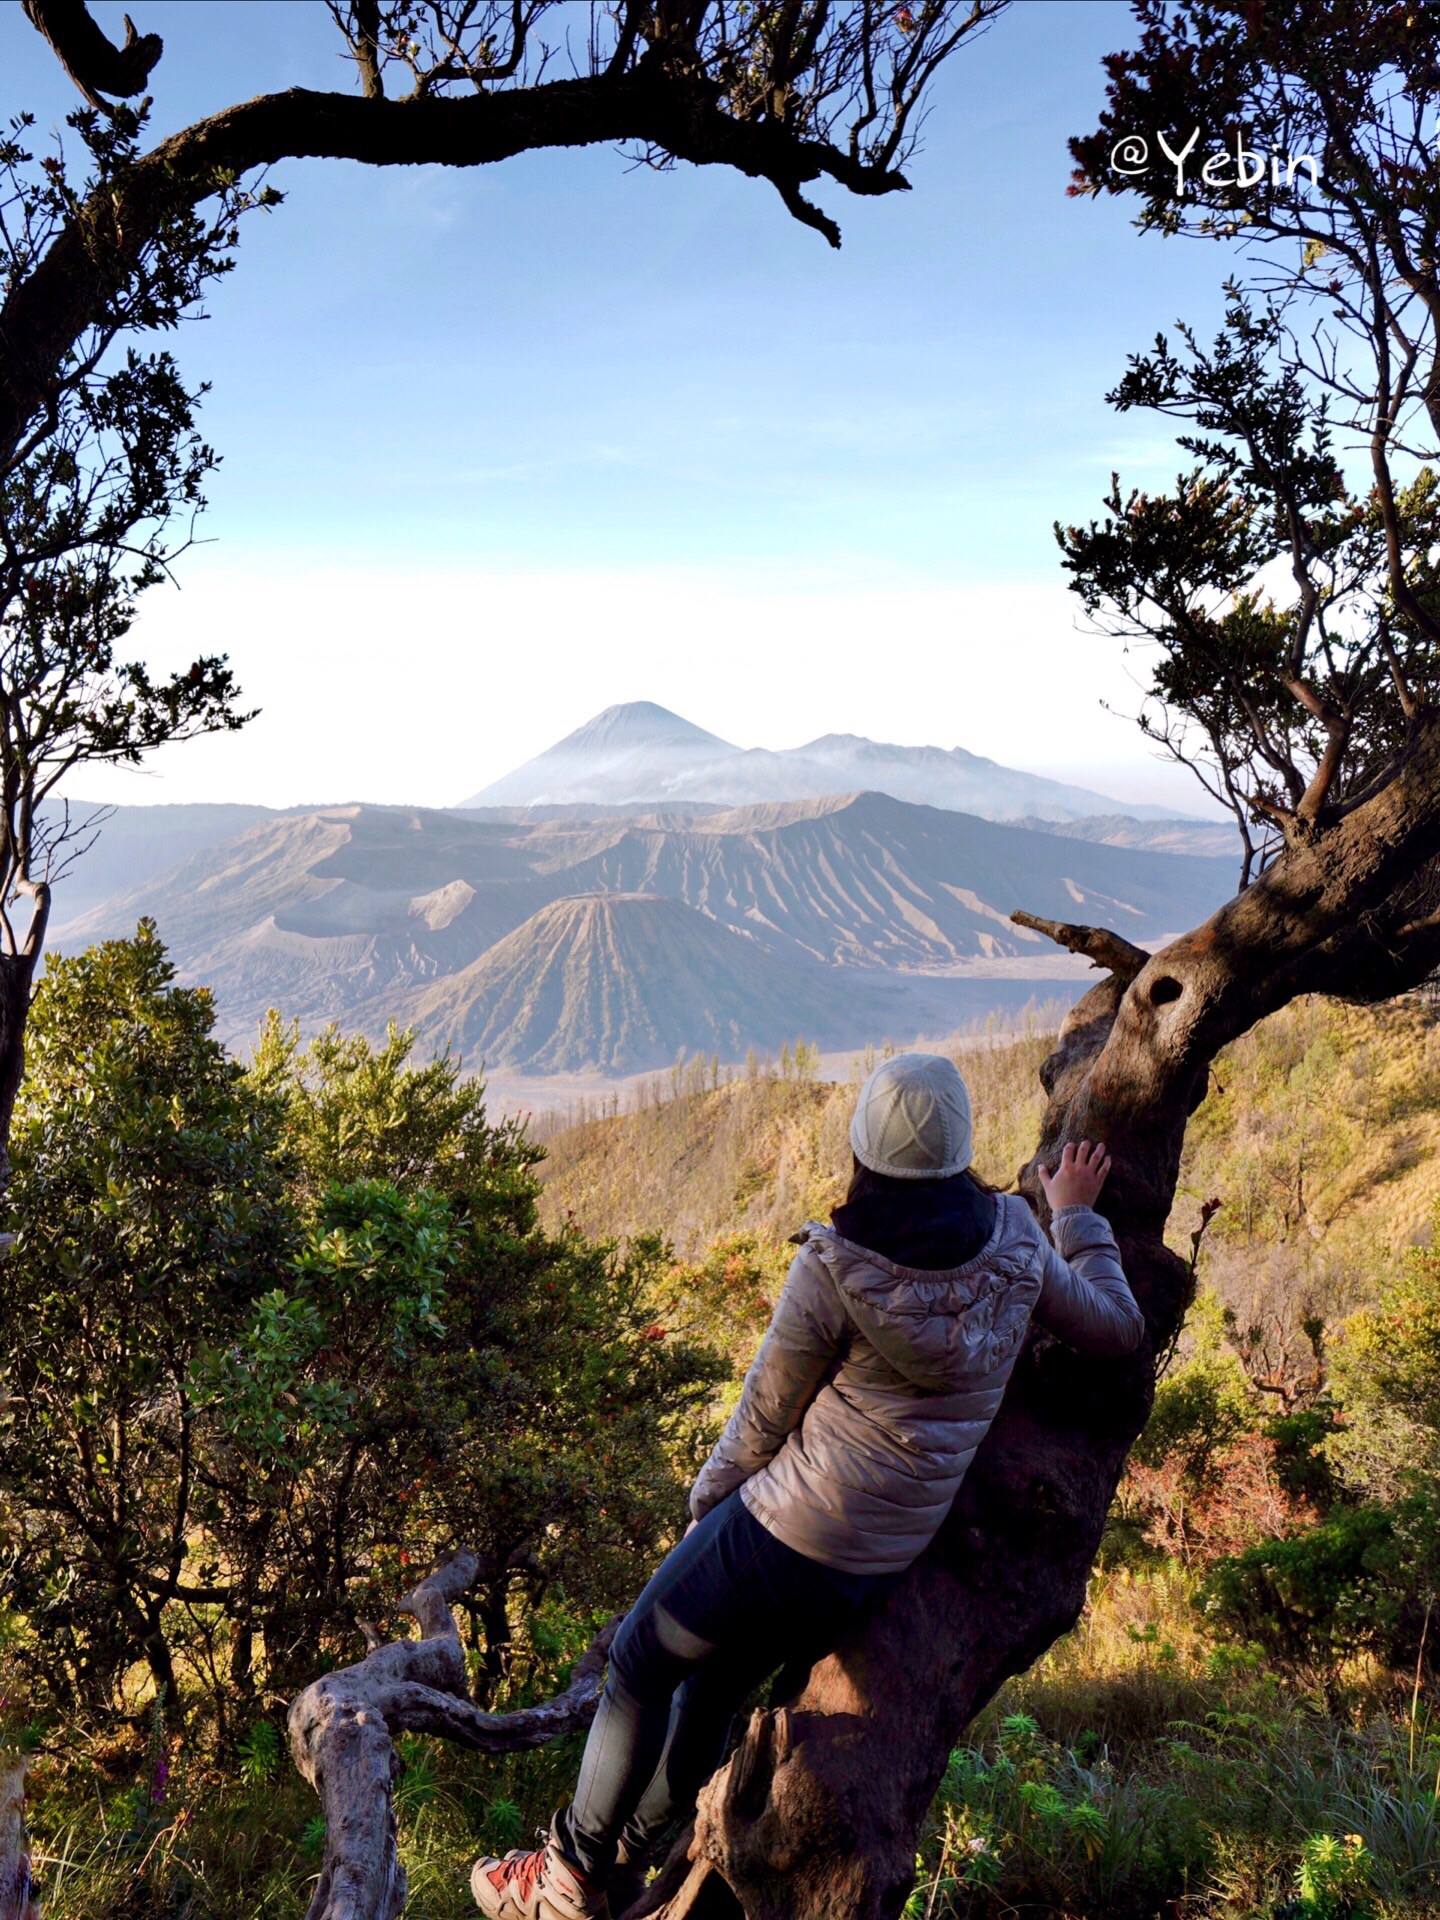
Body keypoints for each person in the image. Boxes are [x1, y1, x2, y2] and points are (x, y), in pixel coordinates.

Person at [471, 1052, 1144, 1920]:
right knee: (713, 1684)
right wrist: (1076, 1218)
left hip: (787, 1527)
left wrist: (705, 1514)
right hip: (878, 1560)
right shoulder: (1018, 1242)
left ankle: (563, 1877)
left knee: (640, 1660)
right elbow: (1118, 1325)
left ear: (866, 1153)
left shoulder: (838, 1267)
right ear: (959, 1149)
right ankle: (626, 1866)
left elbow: (764, 1416)